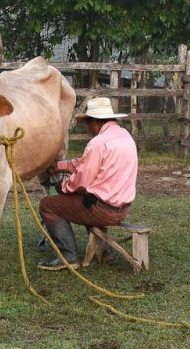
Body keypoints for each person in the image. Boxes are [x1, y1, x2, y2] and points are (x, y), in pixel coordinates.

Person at [38, 96, 138, 270]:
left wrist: (63, 187)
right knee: (87, 197)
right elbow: (86, 164)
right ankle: (105, 250)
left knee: (48, 205)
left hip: (103, 211)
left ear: (95, 122)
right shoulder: (125, 137)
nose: (88, 129)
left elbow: (81, 180)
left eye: (87, 124)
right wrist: (62, 166)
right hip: (123, 209)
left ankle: (68, 257)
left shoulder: (97, 143)